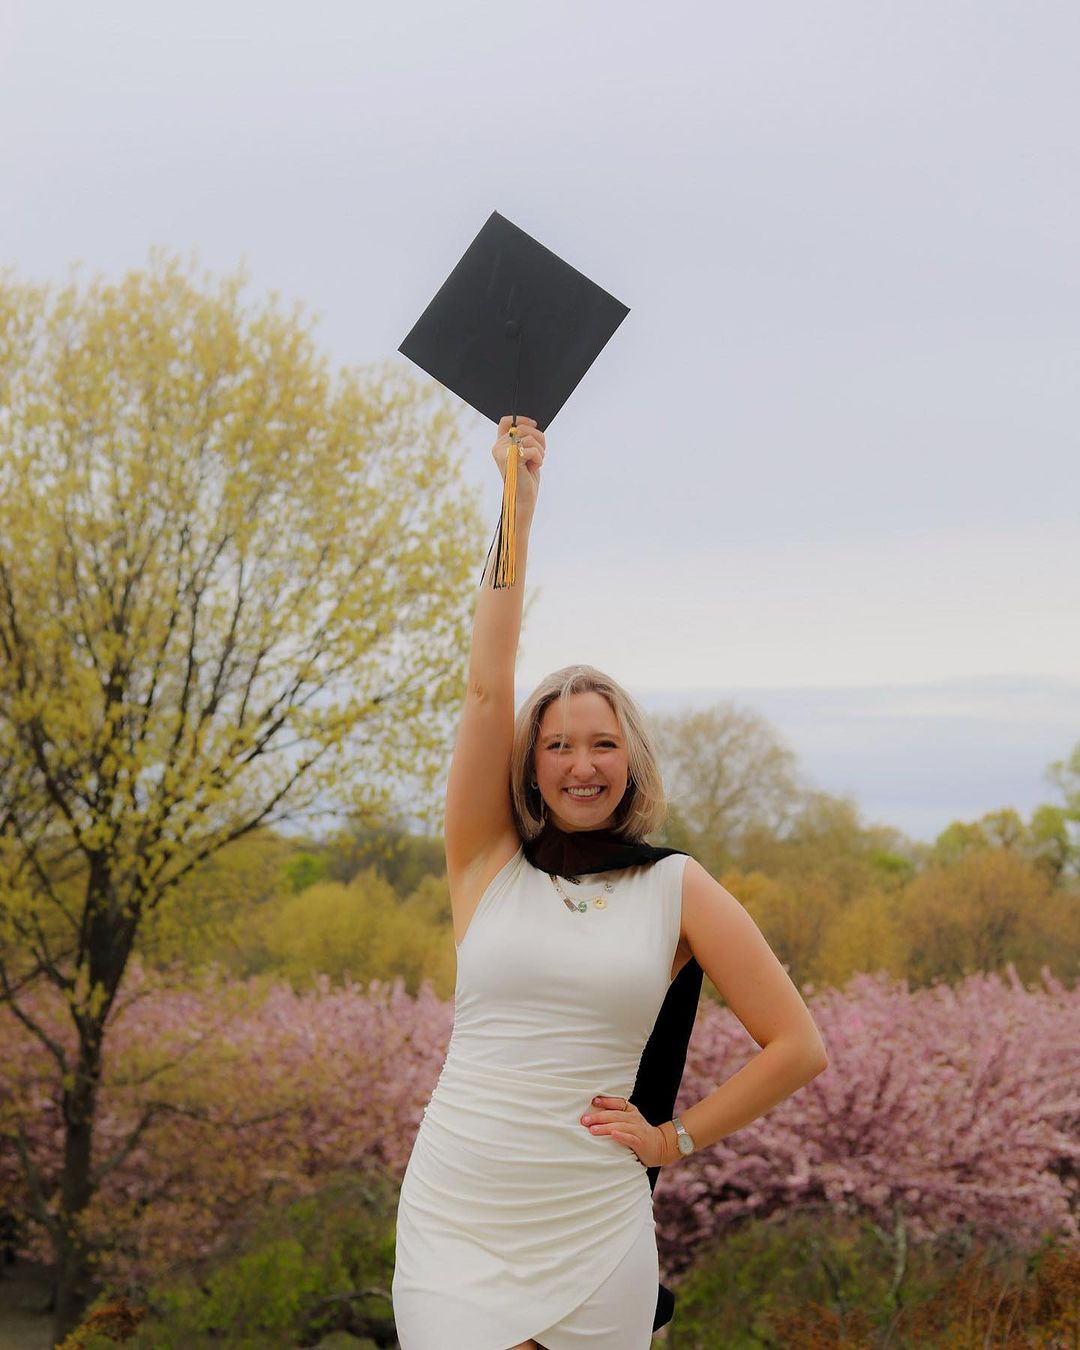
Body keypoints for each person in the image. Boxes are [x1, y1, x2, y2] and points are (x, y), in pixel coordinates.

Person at [391, 416, 830, 1350]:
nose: (579, 764)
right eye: (556, 744)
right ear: (531, 762)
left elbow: (796, 1045)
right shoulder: (486, 865)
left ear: (630, 758)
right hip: (459, 1208)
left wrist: (677, 1140)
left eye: (601, 743)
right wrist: (517, 505)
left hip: (592, 1218)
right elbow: (484, 685)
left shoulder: (676, 887)